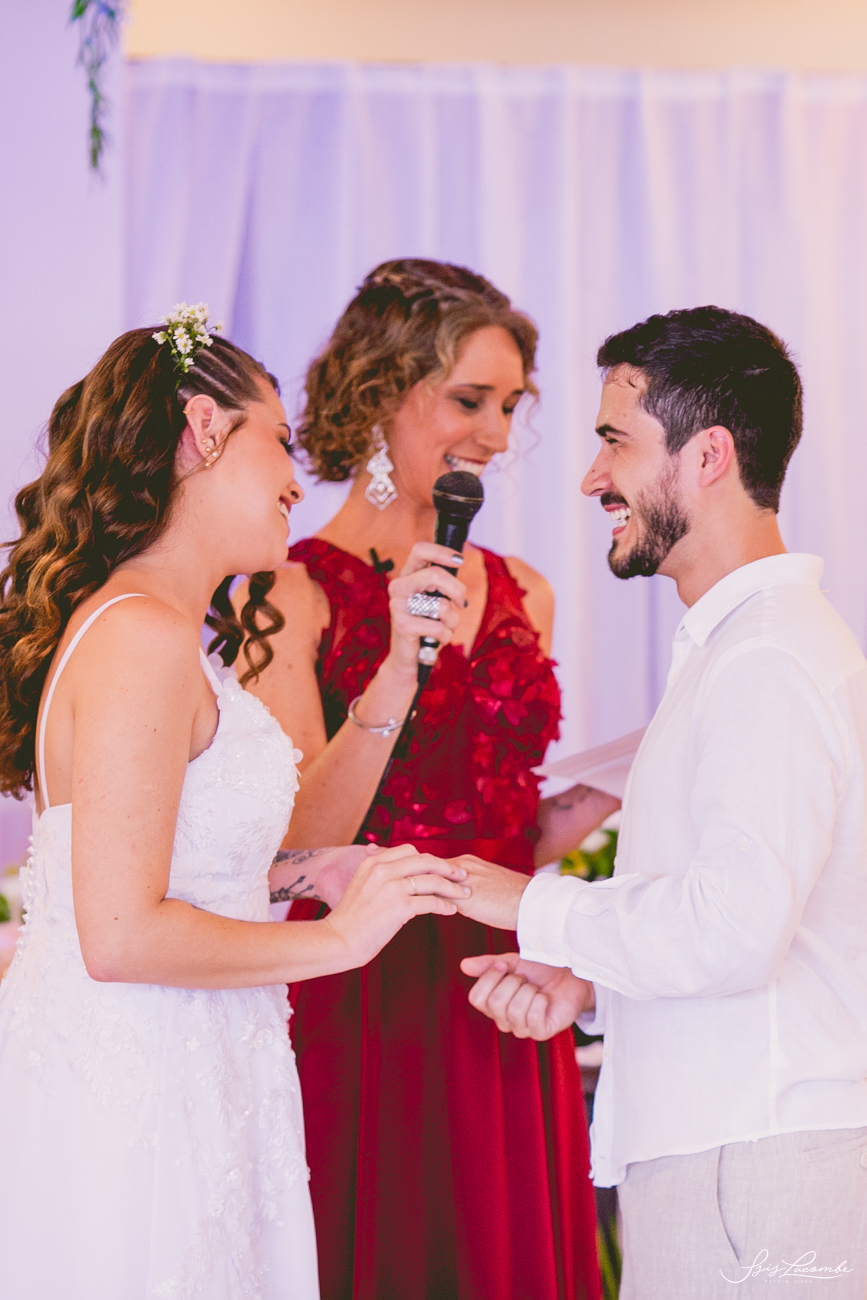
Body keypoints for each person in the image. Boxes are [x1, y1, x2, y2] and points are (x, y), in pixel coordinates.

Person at [0, 308, 468, 1300]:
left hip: (202, 1069)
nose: (299, 481)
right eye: (281, 442)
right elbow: (120, 935)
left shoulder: (168, 632)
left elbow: (250, 852)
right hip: (136, 1093)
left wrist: (393, 677)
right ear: (204, 429)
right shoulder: (138, 634)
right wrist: (341, 939)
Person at [443, 306, 867, 1299]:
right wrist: (592, 980)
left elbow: (733, 933)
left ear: (708, 455)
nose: (592, 477)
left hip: (753, 1166)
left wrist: (524, 900)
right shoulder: (747, 648)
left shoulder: (766, 657)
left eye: (615, 442)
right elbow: (769, 928)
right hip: (735, 1151)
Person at [241, 261, 605, 1300]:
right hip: (365, 986)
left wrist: (622, 785)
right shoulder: (291, 588)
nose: (496, 434)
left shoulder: (525, 590)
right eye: (469, 400)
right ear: (379, 393)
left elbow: (503, 825)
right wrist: (398, 664)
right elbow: (292, 844)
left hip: (505, 982)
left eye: (510, 405)